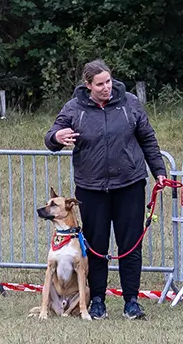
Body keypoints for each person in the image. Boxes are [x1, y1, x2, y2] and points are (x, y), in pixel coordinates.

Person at [45, 60, 169, 320]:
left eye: (108, 82)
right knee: (96, 247)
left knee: (130, 245)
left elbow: (147, 138)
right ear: (88, 85)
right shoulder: (74, 108)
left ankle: (131, 302)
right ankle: (98, 300)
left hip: (130, 185)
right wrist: (56, 138)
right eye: (99, 84)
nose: (106, 88)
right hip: (91, 189)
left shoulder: (130, 103)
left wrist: (159, 172)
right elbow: (53, 135)